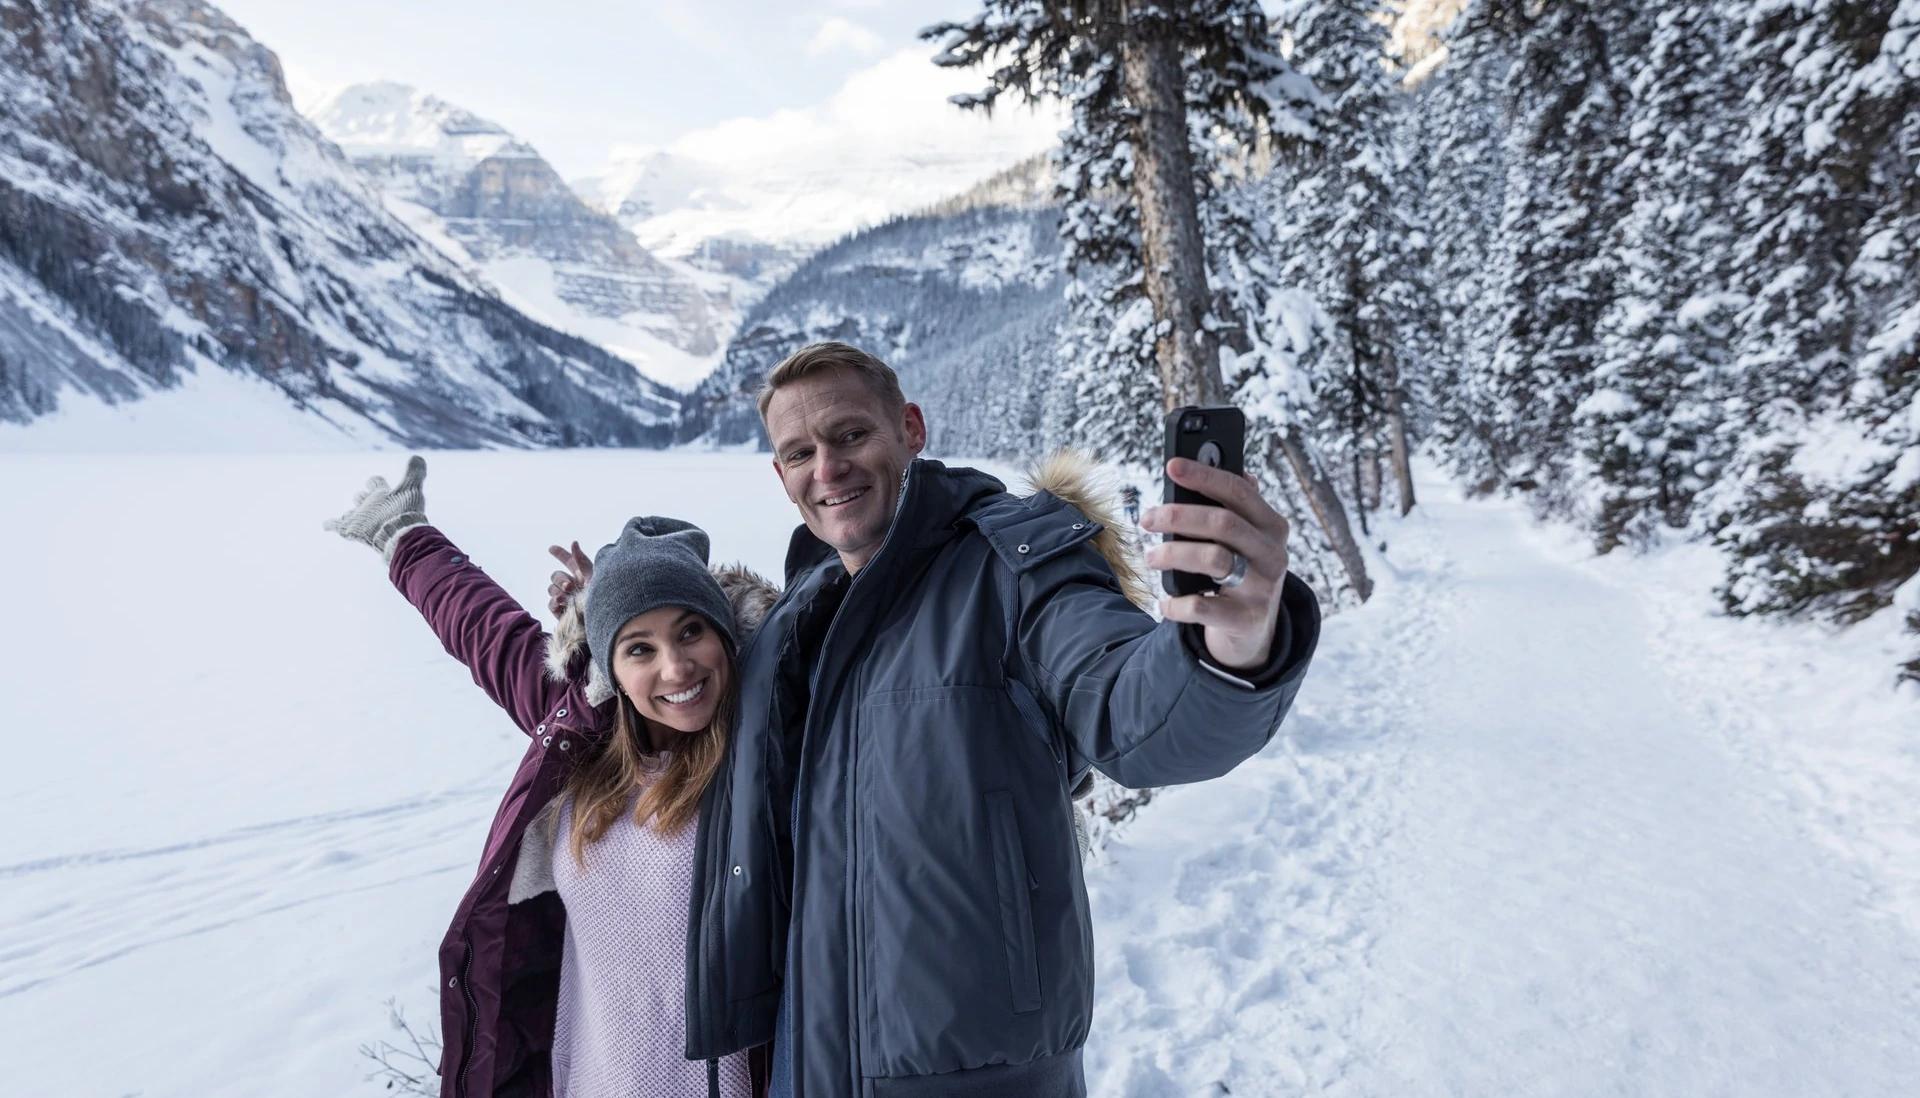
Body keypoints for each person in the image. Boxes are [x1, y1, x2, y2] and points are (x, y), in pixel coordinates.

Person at [660, 342, 1322, 1098]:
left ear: (910, 428)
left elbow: (1129, 705)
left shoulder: (1015, 569)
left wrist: (1229, 645)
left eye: (850, 436)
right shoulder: (794, 622)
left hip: (972, 1076)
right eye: (800, 452)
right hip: (802, 1064)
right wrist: (610, 619)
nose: (827, 468)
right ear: (781, 477)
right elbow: (673, 709)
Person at [325, 459, 777, 1098]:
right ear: (610, 667)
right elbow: (489, 633)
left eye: (691, 631)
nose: (676, 667)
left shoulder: (769, 752)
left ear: (726, 636)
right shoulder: (582, 742)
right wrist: (405, 538)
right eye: (640, 647)